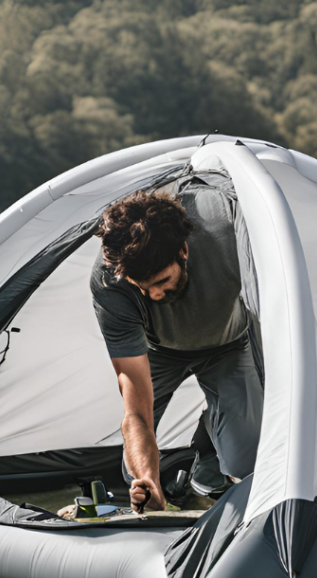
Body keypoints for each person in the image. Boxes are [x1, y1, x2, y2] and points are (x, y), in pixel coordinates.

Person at [90, 172, 263, 513]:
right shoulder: (110, 281)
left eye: (161, 281)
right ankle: (172, 478)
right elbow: (135, 412)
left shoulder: (230, 236)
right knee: (133, 469)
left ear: (183, 251)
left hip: (229, 343)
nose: (153, 295)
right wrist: (148, 482)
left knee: (249, 463)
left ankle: (209, 447)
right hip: (157, 351)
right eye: (141, 287)